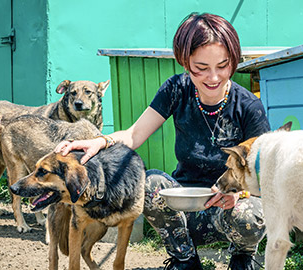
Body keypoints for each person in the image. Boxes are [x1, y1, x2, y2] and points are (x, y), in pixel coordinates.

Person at [55, 12, 270, 270]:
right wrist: (99, 142)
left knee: (249, 212)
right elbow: (134, 134)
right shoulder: (176, 89)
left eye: (222, 66)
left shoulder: (249, 107)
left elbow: (266, 175)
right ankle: (185, 261)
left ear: (233, 61)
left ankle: (243, 259)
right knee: (150, 182)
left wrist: (240, 193)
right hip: (187, 208)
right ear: (185, 61)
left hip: (230, 210)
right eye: (201, 68)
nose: (213, 77)